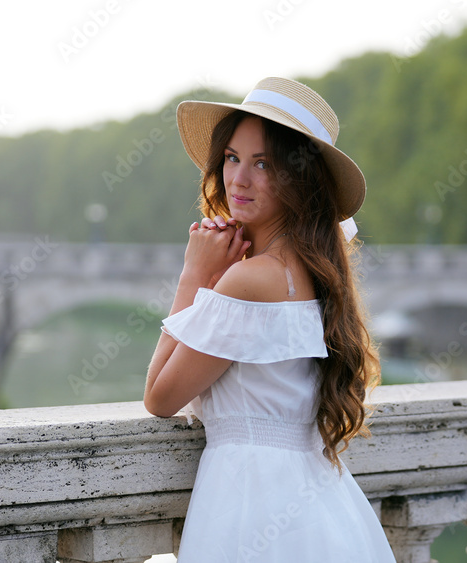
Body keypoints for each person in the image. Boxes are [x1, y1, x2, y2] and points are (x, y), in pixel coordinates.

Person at [143, 77, 396, 563]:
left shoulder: (251, 281)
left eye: (264, 164)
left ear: (299, 179)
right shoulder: (312, 272)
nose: (239, 178)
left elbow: (159, 396)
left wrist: (193, 275)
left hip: (249, 505)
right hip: (318, 504)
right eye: (233, 158)